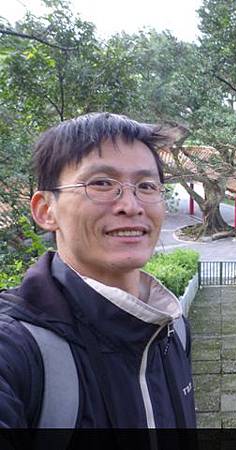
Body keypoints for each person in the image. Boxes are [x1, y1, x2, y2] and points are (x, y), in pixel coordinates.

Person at [0, 113, 196, 428]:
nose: (131, 205)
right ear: (46, 210)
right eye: (102, 183)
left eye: (146, 186)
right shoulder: (16, 349)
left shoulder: (173, 329)